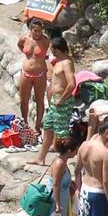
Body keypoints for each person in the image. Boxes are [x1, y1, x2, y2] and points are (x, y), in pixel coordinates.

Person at [30, 37, 77, 166]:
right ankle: (41, 158)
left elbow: (72, 84)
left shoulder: (66, 63)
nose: (51, 51)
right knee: (48, 127)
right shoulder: (58, 62)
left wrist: (62, 100)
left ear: (56, 49)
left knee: (62, 132)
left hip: (62, 100)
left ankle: (65, 160)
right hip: (55, 101)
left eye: (52, 49)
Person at [17, 18, 50, 131]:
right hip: (26, 73)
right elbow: (20, 45)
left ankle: (37, 126)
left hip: (40, 74)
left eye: (40, 30)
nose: (37, 33)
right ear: (30, 29)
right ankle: (25, 122)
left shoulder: (45, 41)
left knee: (39, 100)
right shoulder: (25, 39)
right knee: (23, 100)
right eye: (35, 30)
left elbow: (51, 52)